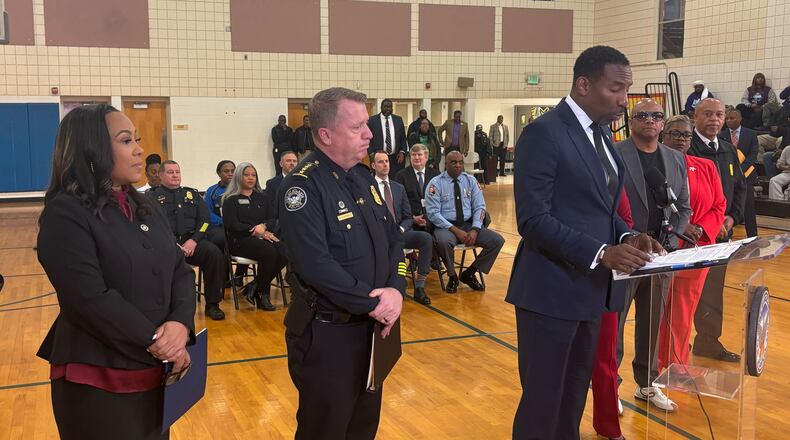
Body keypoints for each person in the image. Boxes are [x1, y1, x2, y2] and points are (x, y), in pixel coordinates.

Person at [507, 46, 663, 439]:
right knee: (543, 404)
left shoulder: (601, 136)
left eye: (627, 90)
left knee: (573, 397)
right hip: (550, 292)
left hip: (591, 292)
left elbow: (600, 209)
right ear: (584, 84)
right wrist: (601, 253)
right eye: (616, 89)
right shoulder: (544, 133)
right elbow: (533, 220)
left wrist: (628, 235)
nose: (623, 100)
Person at [37, 104, 195, 439]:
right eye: (126, 141)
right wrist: (159, 341)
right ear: (91, 149)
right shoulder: (65, 213)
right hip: (100, 379)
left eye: (136, 140)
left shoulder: (146, 205)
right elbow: (90, 299)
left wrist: (181, 324)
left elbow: (179, 269)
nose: (139, 150)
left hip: (156, 373)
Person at [279, 87, 406, 440]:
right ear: (325, 135)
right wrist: (374, 302)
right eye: (357, 127)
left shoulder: (364, 178)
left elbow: (395, 238)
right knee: (327, 430)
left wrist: (396, 289)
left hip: (373, 330)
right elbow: (316, 265)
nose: (369, 134)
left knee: (363, 428)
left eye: (367, 125)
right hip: (329, 336)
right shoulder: (302, 187)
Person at [614, 98, 690, 413]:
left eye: (656, 116)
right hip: (625, 252)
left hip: (662, 254)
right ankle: (610, 387)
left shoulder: (675, 158)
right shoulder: (615, 153)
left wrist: (670, 243)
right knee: (614, 325)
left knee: (651, 323)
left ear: (662, 123)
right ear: (632, 122)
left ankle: (647, 384)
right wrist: (625, 238)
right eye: (642, 115)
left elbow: (683, 206)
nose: (650, 120)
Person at [657, 115, 726, 373]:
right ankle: (652, 368)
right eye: (674, 134)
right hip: (662, 248)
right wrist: (678, 225)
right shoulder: (652, 165)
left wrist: (701, 228)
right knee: (656, 313)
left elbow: (719, 204)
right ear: (664, 136)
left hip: (696, 249)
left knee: (683, 313)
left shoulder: (706, 166)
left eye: (686, 135)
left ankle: (676, 367)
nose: (681, 139)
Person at [688, 98, 747, 362]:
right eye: (708, 114)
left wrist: (732, 218)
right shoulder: (686, 147)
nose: (714, 119)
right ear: (695, 118)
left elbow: (739, 188)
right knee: (683, 293)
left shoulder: (728, 149)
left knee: (712, 291)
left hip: (722, 235)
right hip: (692, 236)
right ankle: (670, 346)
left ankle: (707, 342)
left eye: (719, 115)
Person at [148, 160, 226, 321]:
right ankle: (165, 307)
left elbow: (205, 220)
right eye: (170, 172)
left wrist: (195, 240)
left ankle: (212, 304)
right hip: (166, 245)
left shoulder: (193, 194)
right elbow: (149, 224)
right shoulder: (151, 197)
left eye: (177, 172)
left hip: (192, 242)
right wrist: (170, 243)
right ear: (161, 175)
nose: (175, 175)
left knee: (214, 254)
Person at [425, 150, 505, 293]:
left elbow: (480, 207)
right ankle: (452, 276)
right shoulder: (436, 183)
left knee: (497, 241)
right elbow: (433, 213)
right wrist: (455, 230)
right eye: (453, 162)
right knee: (443, 242)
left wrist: (475, 229)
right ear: (446, 164)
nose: (458, 165)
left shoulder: (471, 181)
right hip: (446, 227)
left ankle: (469, 273)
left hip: (468, 225)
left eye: (460, 162)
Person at [592, 188, 634, 440]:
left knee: (605, 358)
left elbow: (625, 219)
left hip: (605, 277)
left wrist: (627, 239)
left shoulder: (611, 171)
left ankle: (608, 427)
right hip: (562, 275)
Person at [221, 162, 288, 311]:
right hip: (239, 240)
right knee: (269, 251)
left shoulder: (262, 197)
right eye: (246, 175)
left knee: (285, 250)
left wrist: (264, 227)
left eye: (253, 175)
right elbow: (232, 224)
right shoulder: (230, 199)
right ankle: (262, 294)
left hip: (263, 236)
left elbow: (273, 218)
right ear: (239, 177)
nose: (251, 178)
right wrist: (255, 230)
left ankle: (255, 284)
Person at [372, 151, 434, 305]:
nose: (385, 164)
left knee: (426, 238)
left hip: (399, 232)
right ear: (373, 165)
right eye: (380, 162)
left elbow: (407, 216)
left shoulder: (398, 188)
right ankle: (395, 285)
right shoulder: (367, 188)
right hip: (378, 235)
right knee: (394, 248)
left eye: (387, 161)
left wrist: (400, 229)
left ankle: (419, 286)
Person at [720, 108, 759, 237]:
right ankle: (727, 235)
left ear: (740, 119)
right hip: (727, 177)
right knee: (727, 207)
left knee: (748, 208)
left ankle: (752, 236)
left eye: (732, 118)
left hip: (746, 175)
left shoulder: (751, 134)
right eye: (727, 118)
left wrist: (740, 169)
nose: (729, 121)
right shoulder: (721, 135)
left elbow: (753, 155)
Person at [394, 144, 440, 231]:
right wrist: (412, 218)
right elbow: (398, 202)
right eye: (413, 155)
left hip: (434, 220)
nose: (416, 157)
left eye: (419, 154)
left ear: (426, 157)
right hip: (411, 221)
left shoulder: (436, 175)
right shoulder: (401, 176)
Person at [367, 98, 408, 178]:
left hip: (395, 159)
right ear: (381, 107)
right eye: (385, 106)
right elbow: (368, 139)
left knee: (395, 180)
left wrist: (402, 152)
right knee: (379, 180)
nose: (388, 109)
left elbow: (403, 138)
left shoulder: (398, 120)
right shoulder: (372, 120)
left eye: (390, 107)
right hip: (378, 157)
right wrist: (371, 153)